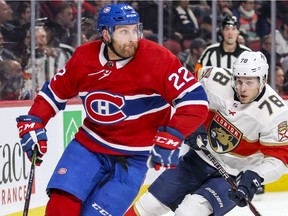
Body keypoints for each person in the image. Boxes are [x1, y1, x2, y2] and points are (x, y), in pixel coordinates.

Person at [16, 3, 208, 216]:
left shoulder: (158, 58)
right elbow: (53, 93)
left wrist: (174, 132)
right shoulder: (84, 58)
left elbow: (196, 100)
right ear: (106, 34)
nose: (132, 37)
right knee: (60, 207)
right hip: (88, 146)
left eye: (135, 29)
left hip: (134, 158)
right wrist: (35, 119)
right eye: (124, 31)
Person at [126, 51, 288, 216]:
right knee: (149, 205)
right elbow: (183, 93)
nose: (242, 88)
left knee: (189, 212)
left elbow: (280, 159)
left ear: (263, 80)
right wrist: (192, 125)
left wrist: (256, 176)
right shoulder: (214, 79)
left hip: (233, 175)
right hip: (198, 159)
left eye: (249, 82)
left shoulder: (276, 114)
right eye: (238, 81)